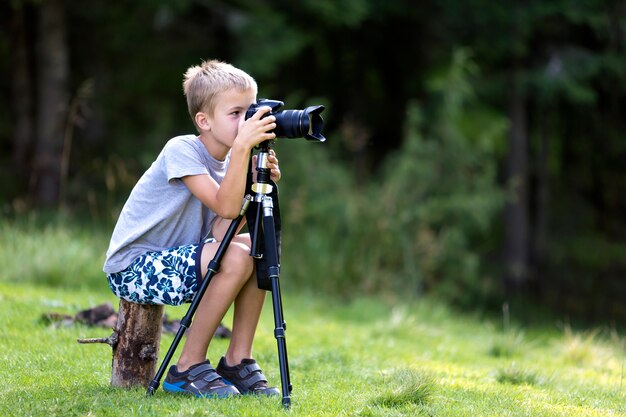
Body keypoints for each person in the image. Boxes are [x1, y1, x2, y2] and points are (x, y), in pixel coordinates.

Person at [103, 59, 281, 398]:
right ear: (205, 121)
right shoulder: (182, 149)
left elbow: (224, 227)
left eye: (251, 110)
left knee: (258, 246)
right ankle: (187, 367)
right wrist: (244, 151)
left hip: (184, 259)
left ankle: (237, 360)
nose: (247, 121)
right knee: (238, 257)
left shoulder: (233, 160)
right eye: (236, 113)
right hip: (134, 267)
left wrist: (259, 187)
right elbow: (224, 206)